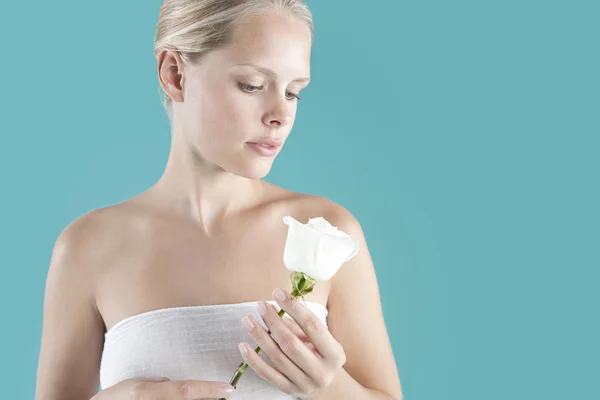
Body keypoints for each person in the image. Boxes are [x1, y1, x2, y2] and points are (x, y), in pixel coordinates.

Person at [34, 1, 403, 399]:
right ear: (174, 74)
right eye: (252, 85)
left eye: (294, 92)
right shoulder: (87, 247)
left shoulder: (328, 235)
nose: (281, 114)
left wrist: (331, 387)